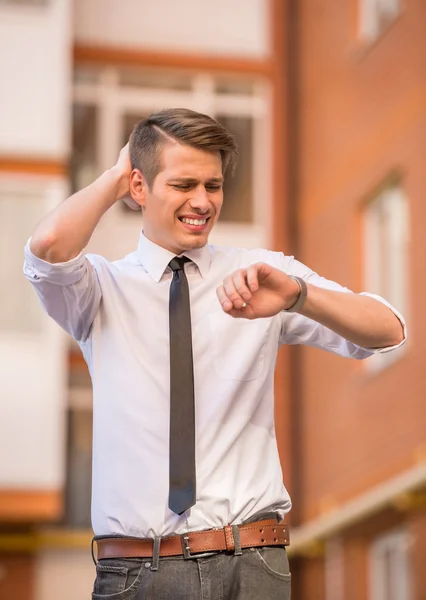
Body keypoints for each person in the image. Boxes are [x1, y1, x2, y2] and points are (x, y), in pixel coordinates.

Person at [24, 108, 406, 600]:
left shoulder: (262, 276)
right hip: (142, 574)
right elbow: (49, 246)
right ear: (139, 188)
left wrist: (298, 296)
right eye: (184, 185)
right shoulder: (100, 288)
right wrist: (116, 175)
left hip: (253, 567)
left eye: (214, 185)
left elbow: (387, 330)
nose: (203, 202)